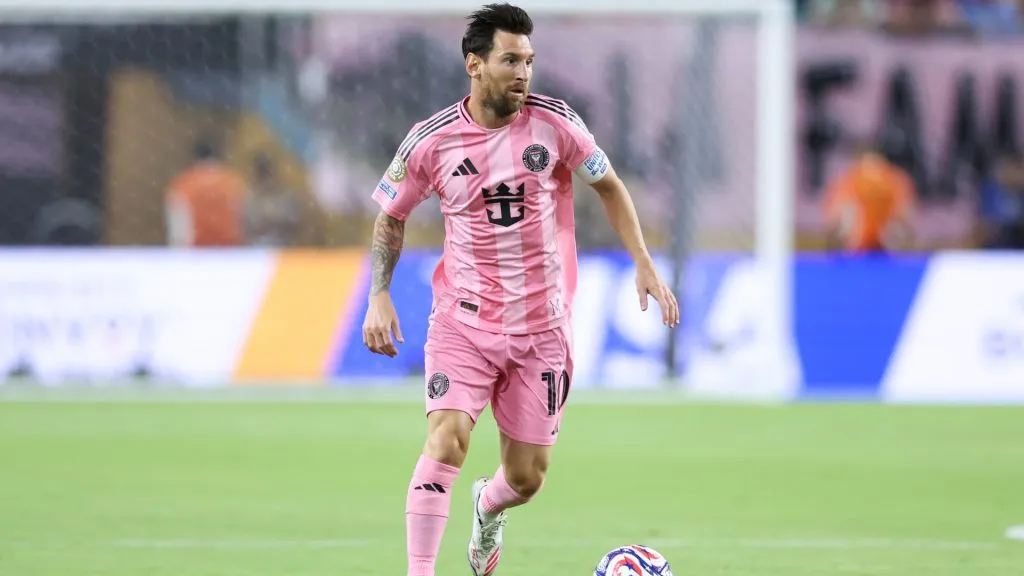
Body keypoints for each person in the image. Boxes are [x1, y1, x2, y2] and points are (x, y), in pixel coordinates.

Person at [360, 4, 680, 576]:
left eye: (529, 61)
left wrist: (643, 261)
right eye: (511, 61)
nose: (524, 73)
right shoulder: (430, 142)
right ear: (475, 65)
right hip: (463, 321)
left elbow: (608, 184)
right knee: (447, 439)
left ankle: (488, 506)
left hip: (542, 329)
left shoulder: (556, 124)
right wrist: (378, 293)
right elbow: (391, 215)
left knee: (527, 478)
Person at [822, 141, 917, 253]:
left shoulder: (896, 182)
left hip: (885, 251)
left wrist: (895, 233)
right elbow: (833, 228)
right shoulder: (846, 182)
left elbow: (907, 224)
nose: (872, 176)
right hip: (854, 251)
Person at [164, 137, 247, 247]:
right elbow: (244, 222)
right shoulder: (233, 182)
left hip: (197, 254)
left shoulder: (182, 185)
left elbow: (178, 233)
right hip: (229, 253)